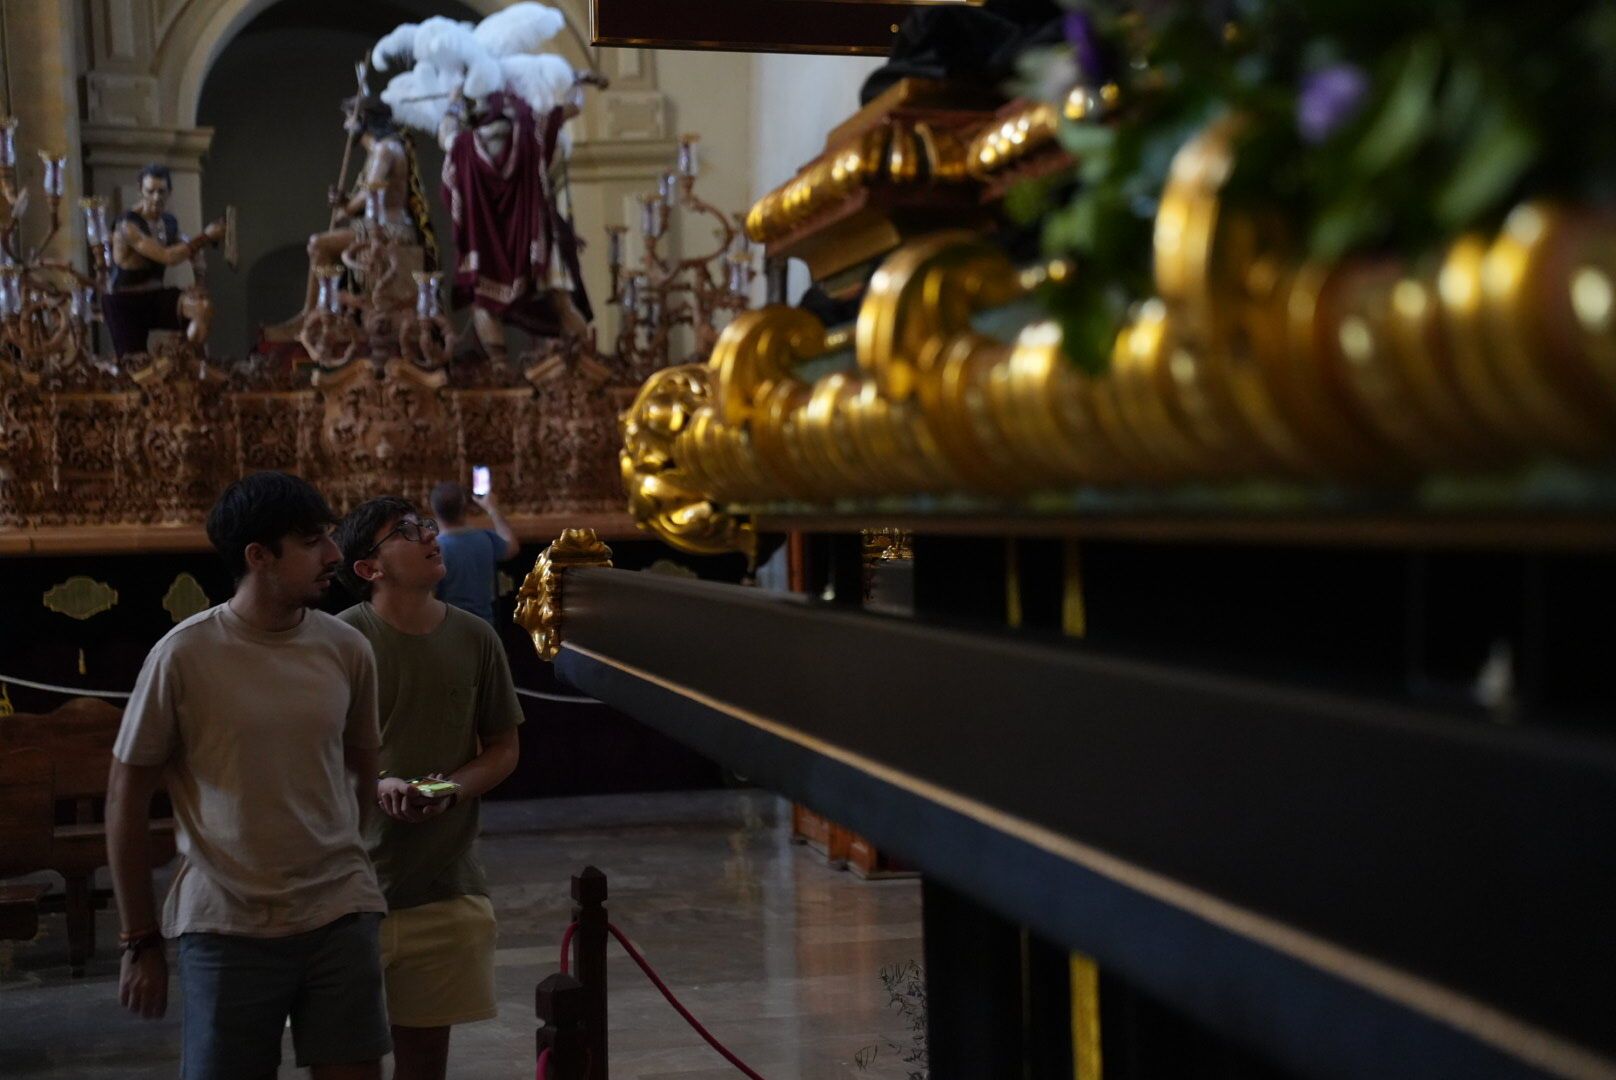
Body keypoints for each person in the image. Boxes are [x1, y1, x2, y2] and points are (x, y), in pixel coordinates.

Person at [106, 471, 391, 1080]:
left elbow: (363, 771)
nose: (335, 555)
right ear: (258, 557)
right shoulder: (183, 655)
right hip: (227, 924)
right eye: (313, 541)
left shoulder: (347, 648)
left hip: (339, 913)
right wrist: (139, 940)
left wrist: (349, 864)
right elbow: (126, 797)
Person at [333, 496, 523, 1080]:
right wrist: (378, 782)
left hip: (442, 881)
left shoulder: (474, 636)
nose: (429, 536)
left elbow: (502, 749)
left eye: (426, 525)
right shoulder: (341, 639)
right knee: (345, 1061)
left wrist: (449, 789)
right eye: (407, 532)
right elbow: (315, 752)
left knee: (424, 1063)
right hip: (348, 887)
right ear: (370, 568)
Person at [437, 85, 592, 363]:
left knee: (482, 304)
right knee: (561, 301)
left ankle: (500, 370)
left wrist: (454, 99)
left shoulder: (462, 146)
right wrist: (577, 82)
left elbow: (445, 132)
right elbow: (575, 106)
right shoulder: (532, 134)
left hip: (484, 244)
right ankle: (586, 362)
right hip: (533, 238)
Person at [102, 163, 225, 358]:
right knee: (136, 367)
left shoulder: (168, 222)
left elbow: (191, 251)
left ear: (169, 192)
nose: (156, 198)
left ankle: (185, 362)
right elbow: (166, 256)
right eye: (150, 191)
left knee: (202, 308)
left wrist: (199, 283)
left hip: (155, 296)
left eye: (162, 192)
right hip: (125, 302)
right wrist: (205, 237)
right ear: (140, 191)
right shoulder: (127, 225)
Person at [429, 480, 519, 625]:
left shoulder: (434, 549)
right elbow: (512, 547)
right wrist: (493, 509)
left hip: (450, 628)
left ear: (434, 510)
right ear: (465, 508)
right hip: (484, 627)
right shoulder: (485, 539)